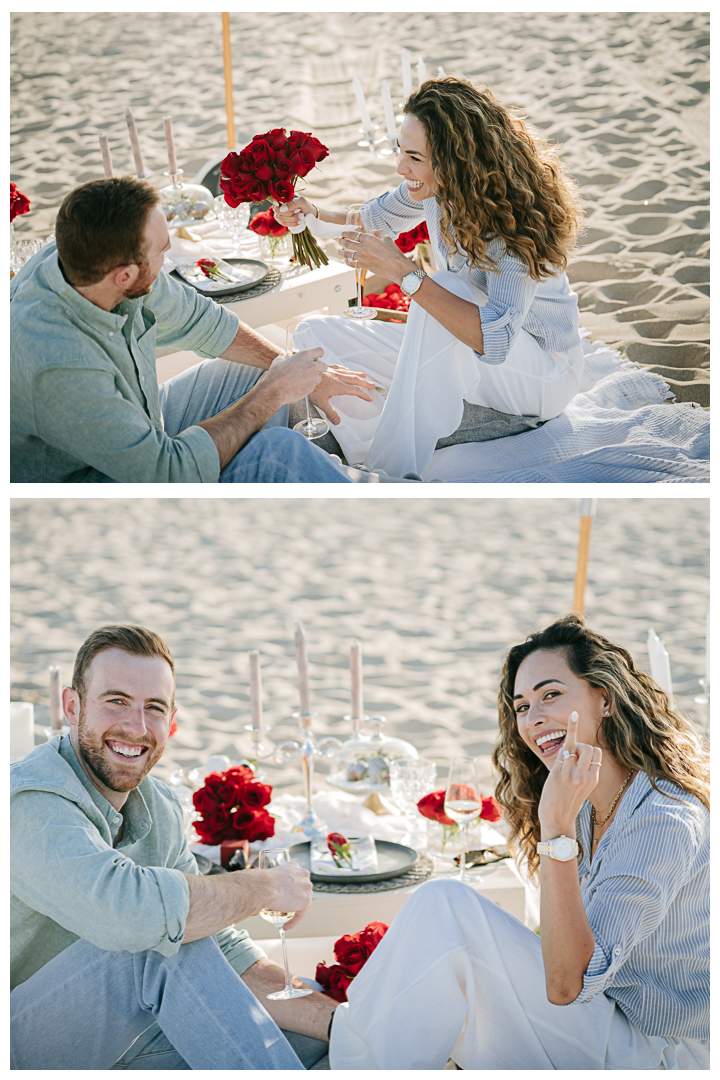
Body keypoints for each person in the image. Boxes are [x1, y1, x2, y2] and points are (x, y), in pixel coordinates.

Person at [327, 615, 709, 1069]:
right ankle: (359, 1049)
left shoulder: (661, 821)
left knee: (447, 905)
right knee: (446, 918)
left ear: (603, 698)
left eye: (551, 695)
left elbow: (568, 984)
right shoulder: (587, 796)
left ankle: (351, 1052)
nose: (534, 718)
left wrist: (556, 828)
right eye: (522, 706)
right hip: (604, 1014)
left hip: (659, 1049)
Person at [10, 625, 338, 1069]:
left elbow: (221, 946)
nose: (136, 726)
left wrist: (340, 1021)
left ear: (172, 722)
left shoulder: (159, 806)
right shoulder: (25, 802)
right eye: (116, 701)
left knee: (319, 1047)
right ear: (73, 707)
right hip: (17, 1048)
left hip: (119, 1034)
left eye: (154, 708)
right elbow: (133, 915)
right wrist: (263, 887)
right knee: (154, 937)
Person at [277, 77, 586, 476]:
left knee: (442, 288)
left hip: (542, 372)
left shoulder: (519, 224)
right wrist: (313, 213)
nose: (400, 167)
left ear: (456, 160)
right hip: (474, 351)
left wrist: (407, 274)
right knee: (316, 334)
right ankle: (356, 436)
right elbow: (371, 217)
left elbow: (496, 342)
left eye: (414, 157)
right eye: (400, 152)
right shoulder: (441, 191)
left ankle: (389, 469)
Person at [10, 176, 380, 484]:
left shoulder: (77, 258)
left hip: (142, 420)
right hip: (98, 480)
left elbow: (201, 320)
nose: (170, 259)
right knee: (279, 453)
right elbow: (167, 472)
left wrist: (285, 368)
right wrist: (272, 392)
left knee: (261, 366)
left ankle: (340, 473)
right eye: (163, 252)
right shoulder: (57, 363)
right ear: (124, 276)